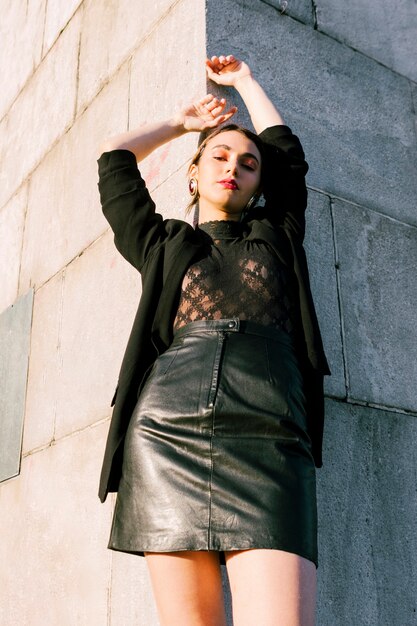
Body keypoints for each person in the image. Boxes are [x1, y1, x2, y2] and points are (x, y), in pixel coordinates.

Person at [97, 55, 330, 626]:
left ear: (259, 182)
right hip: (167, 434)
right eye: (219, 157)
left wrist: (246, 82)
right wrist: (181, 124)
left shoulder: (278, 235)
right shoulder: (165, 244)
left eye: (248, 164)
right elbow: (115, 162)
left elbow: (286, 155)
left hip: (271, 434)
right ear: (194, 174)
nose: (234, 167)